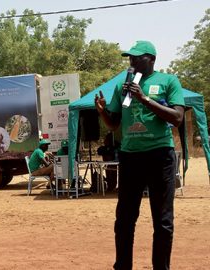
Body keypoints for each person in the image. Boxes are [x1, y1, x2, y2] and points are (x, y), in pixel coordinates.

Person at [95, 40, 184, 269]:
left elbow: (177, 117)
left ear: (152, 59)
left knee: (163, 221)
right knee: (124, 220)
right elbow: (114, 124)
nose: (131, 61)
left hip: (160, 156)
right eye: (130, 57)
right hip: (131, 157)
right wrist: (103, 111)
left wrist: (144, 98)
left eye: (137, 57)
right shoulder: (122, 86)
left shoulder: (168, 81)